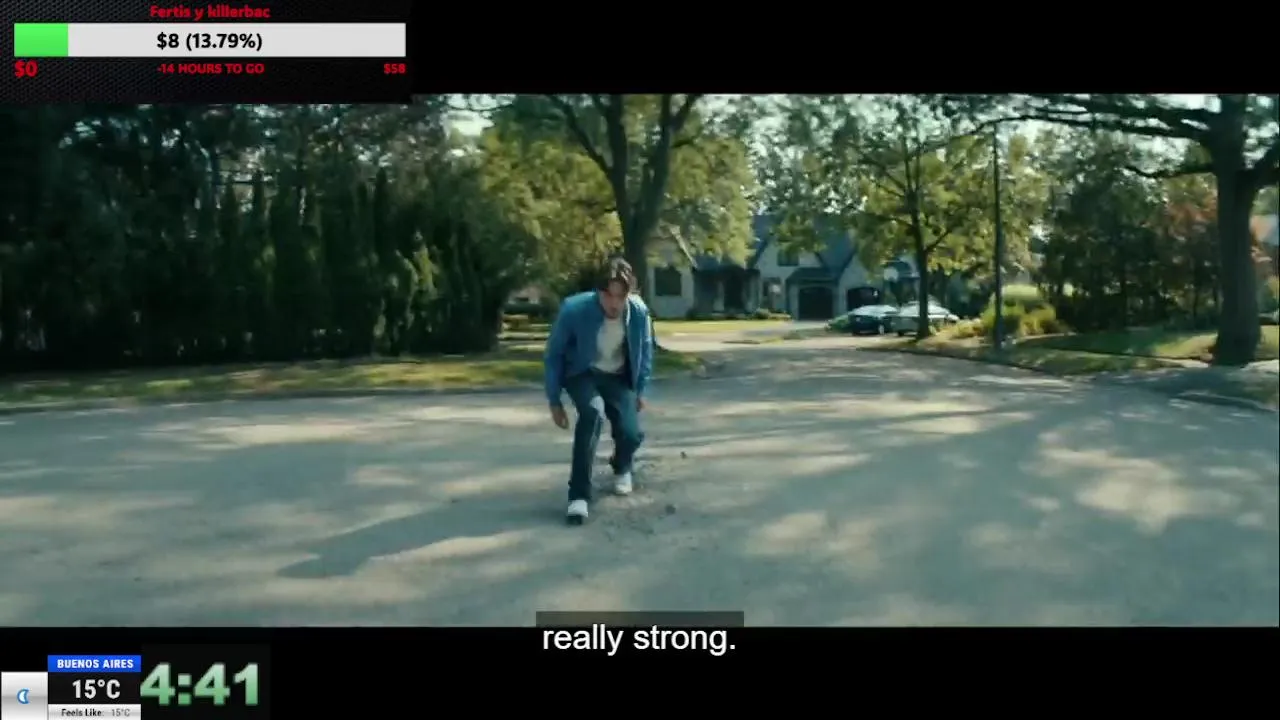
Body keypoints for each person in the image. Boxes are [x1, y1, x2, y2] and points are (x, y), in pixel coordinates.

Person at [544, 258, 653, 525]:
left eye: (621, 296)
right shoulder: (574, 309)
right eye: (608, 295)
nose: (614, 303)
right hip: (583, 373)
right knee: (593, 414)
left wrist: (639, 390)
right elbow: (554, 354)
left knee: (630, 433)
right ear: (598, 292)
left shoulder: (639, 312)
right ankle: (578, 496)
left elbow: (645, 351)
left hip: (618, 376)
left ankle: (622, 465)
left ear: (630, 294)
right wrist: (554, 400)